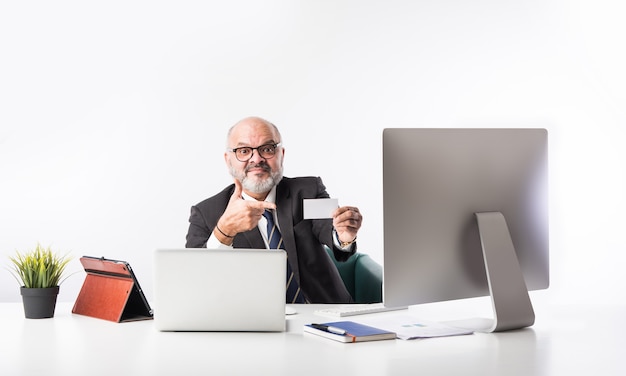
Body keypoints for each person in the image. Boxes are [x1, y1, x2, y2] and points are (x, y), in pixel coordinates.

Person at [185, 116, 363, 303]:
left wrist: (343, 237)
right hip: (253, 323)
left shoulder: (307, 190)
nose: (257, 159)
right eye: (244, 151)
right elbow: (196, 282)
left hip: (324, 313)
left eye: (267, 149)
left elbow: (330, 230)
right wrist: (224, 231)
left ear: (281, 154)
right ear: (228, 160)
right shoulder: (205, 213)